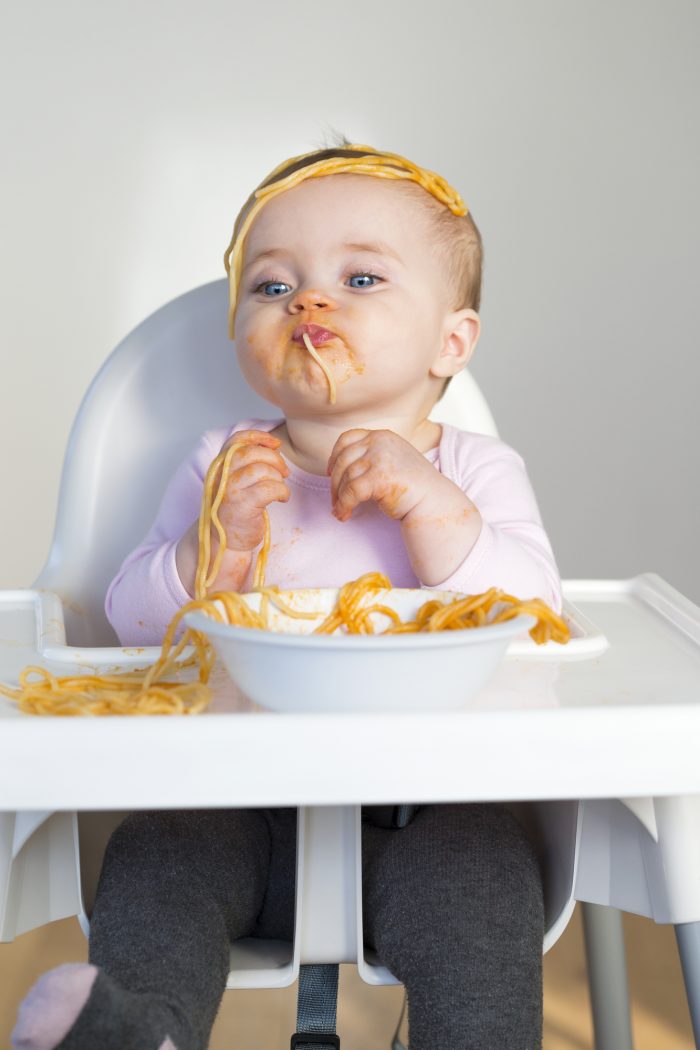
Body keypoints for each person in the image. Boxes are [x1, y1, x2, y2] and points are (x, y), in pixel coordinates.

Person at [12, 141, 562, 1050]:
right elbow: (129, 622)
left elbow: (539, 619)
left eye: (360, 278)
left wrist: (435, 509)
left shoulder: (477, 472)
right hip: (236, 809)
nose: (308, 302)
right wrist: (211, 549)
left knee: (488, 877)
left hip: (428, 817)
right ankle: (139, 1030)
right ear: (239, 332)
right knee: (153, 859)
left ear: (452, 341)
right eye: (272, 286)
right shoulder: (222, 467)